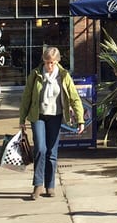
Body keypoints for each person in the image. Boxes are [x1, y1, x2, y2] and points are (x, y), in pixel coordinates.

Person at [19, 47, 85, 200]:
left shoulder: (63, 76)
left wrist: (80, 120)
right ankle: (38, 184)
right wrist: (22, 119)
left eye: (53, 63)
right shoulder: (35, 75)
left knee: (51, 152)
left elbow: (74, 98)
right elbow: (26, 97)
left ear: (57, 62)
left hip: (55, 116)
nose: (50, 66)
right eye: (48, 63)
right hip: (38, 116)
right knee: (40, 148)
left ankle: (50, 185)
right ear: (43, 60)